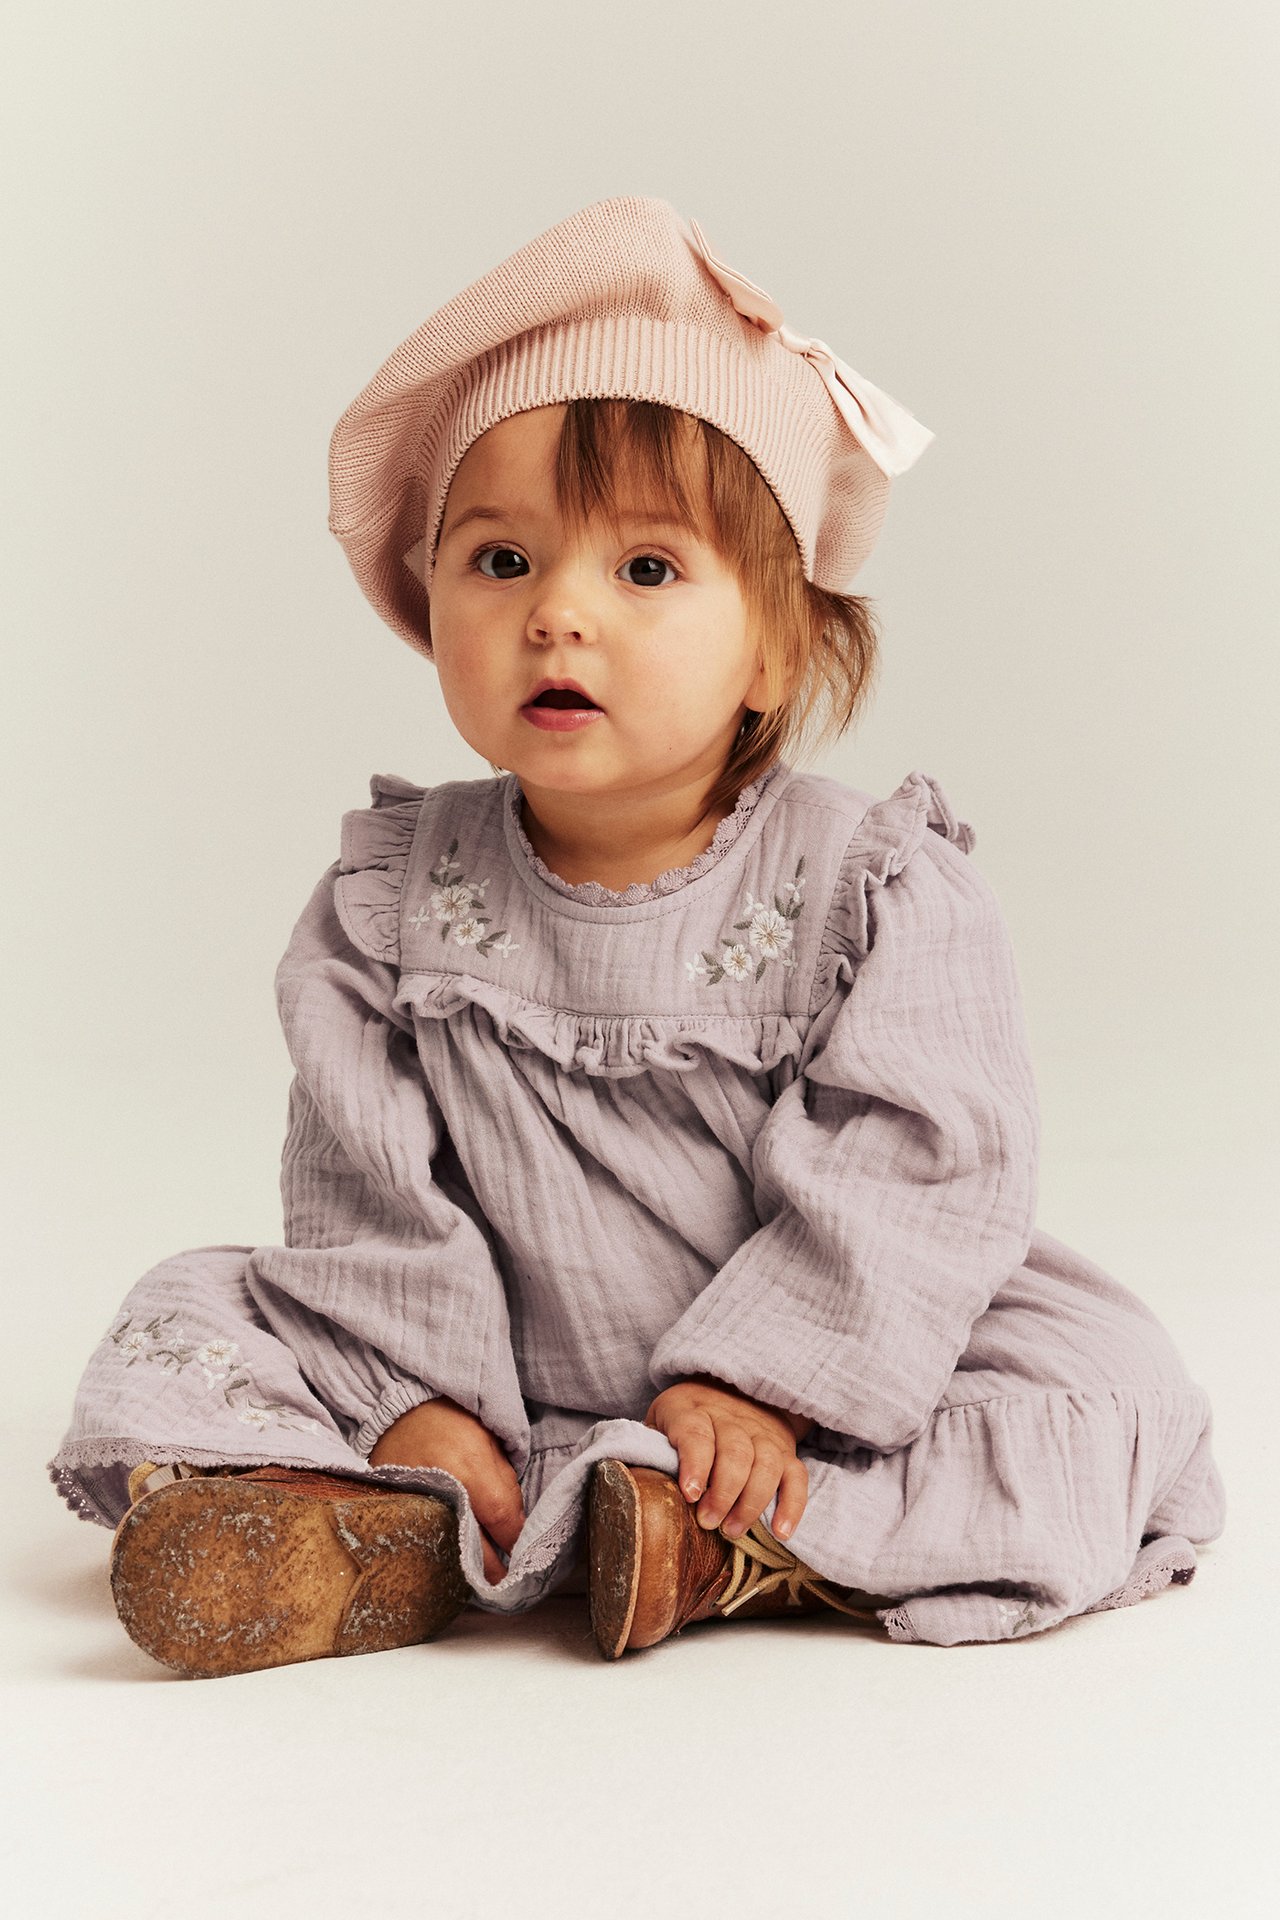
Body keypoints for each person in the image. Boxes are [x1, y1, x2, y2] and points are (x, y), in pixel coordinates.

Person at [49, 195, 1226, 1679]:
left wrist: (761, 1379)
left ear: (780, 642)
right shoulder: (393, 899)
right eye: (499, 562)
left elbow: (927, 1166)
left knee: (1099, 1387)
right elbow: (364, 1185)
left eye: (646, 571)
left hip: (799, 1388)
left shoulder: (867, 886)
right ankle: (401, 1508)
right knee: (190, 1311)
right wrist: (415, 1391)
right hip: (485, 1379)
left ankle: (715, 1534)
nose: (558, 618)